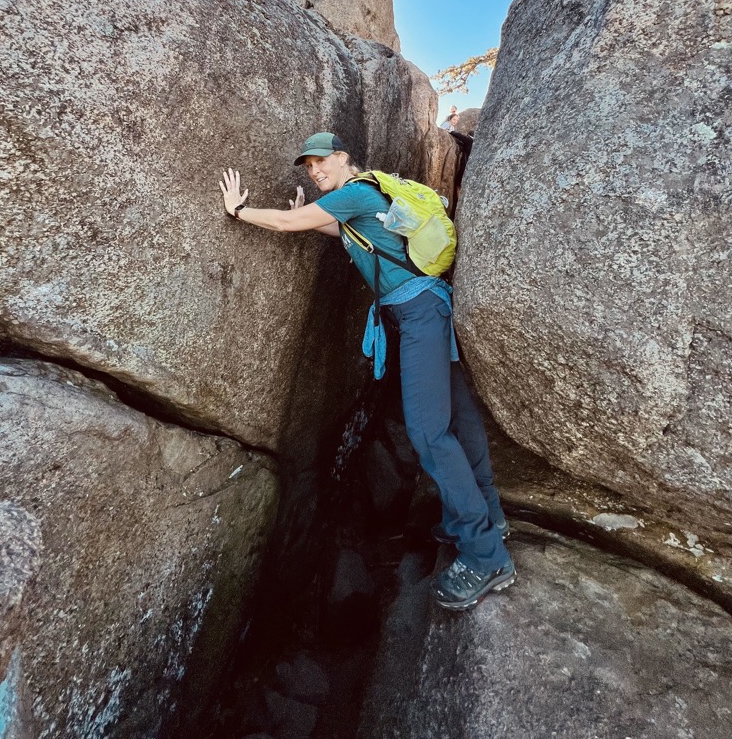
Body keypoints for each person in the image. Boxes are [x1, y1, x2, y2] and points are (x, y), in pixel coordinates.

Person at [219, 132, 515, 611]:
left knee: (427, 433)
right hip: (428, 309)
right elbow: (348, 234)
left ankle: (485, 555)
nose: (315, 172)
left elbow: (285, 223)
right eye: (309, 168)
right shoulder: (361, 200)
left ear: (342, 157)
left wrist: (239, 211)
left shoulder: (354, 191)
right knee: (459, 421)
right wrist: (311, 218)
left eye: (321, 162)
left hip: (419, 314)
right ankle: (488, 518)